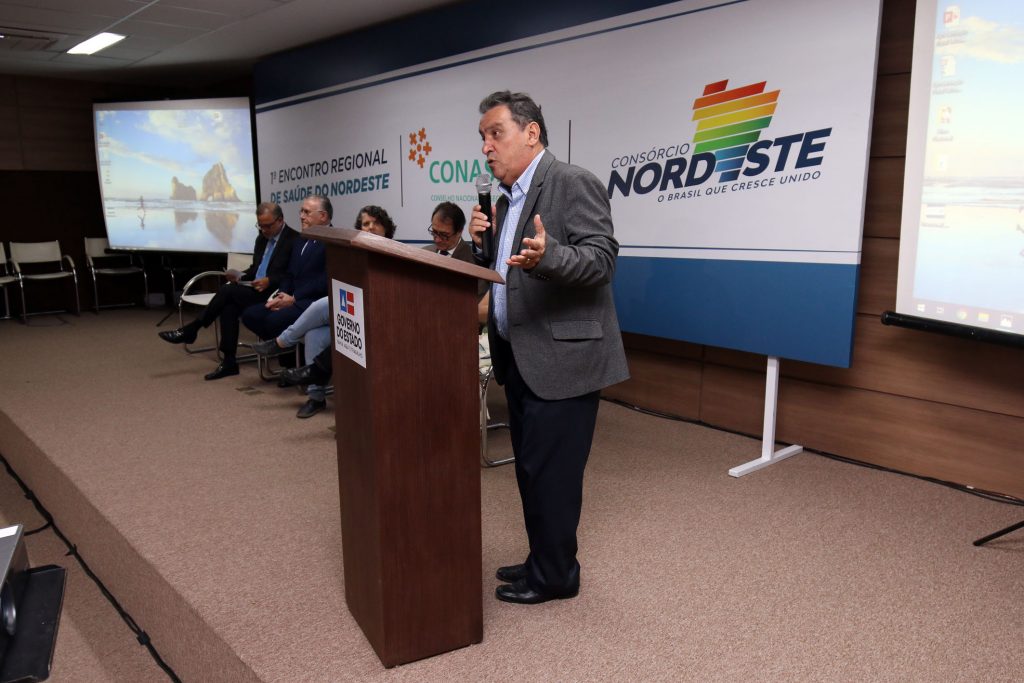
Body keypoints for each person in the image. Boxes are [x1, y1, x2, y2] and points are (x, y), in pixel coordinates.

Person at [468, 90, 629, 604]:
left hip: (563, 358)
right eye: (483, 137)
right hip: (519, 353)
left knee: (553, 476)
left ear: (531, 132)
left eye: (496, 133)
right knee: (533, 469)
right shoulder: (504, 199)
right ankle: (544, 558)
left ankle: (556, 577)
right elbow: (508, 273)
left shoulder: (571, 181)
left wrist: (551, 256)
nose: (487, 147)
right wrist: (482, 247)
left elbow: (601, 260)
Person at [251, 205, 397, 418]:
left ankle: (282, 342)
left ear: (386, 228)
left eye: (376, 223)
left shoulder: (395, 252)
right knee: (314, 334)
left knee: (321, 305)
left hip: (376, 317)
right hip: (350, 314)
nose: (371, 227)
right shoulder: (354, 252)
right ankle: (316, 397)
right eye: (366, 224)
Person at [157, 202, 298, 380]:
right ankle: (229, 361)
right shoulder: (261, 239)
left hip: (275, 293)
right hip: (254, 288)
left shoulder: (294, 239)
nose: (263, 230)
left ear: (280, 220)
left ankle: (193, 329)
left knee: (228, 292)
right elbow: (256, 269)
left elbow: (292, 274)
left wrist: (270, 280)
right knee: (229, 305)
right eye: (260, 226)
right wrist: (240, 276)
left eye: (267, 226)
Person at [240, 194, 330, 348]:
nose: (301, 216)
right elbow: (289, 273)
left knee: (272, 321)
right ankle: (284, 347)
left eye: (307, 212)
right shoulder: (301, 239)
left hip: (311, 302)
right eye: (301, 211)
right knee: (250, 315)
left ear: (322, 216)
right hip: (290, 298)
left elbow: (324, 280)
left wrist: (294, 298)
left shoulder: (333, 242)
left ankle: (281, 347)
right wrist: (281, 295)